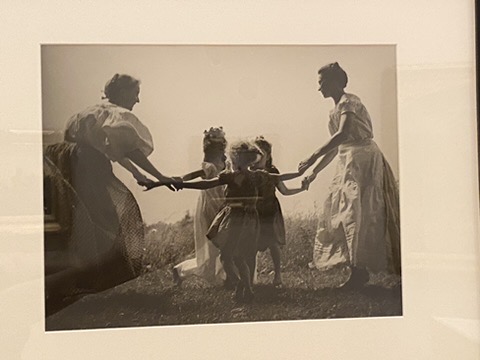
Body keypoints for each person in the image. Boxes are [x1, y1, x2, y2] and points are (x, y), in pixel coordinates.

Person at [44, 73, 177, 311]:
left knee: (79, 219)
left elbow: (114, 151)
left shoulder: (89, 112)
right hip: (86, 166)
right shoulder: (118, 114)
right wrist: (161, 176)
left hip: (66, 163)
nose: (137, 101)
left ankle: (76, 282)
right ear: (123, 92)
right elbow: (130, 150)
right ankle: (88, 280)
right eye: (135, 94)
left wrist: (137, 174)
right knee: (111, 218)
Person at [146, 140, 305, 302]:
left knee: (235, 255)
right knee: (235, 256)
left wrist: (299, 175)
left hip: (242, 219)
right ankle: (243, 286)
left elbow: (278, 177)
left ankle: (244, 287)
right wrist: (183, 185)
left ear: (237, 160)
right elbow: (205, 184)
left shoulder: (249, 176)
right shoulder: (242, 176)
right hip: (240, 218)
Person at [299, 62, 401, 289]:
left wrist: (312, 156)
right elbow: (337, 146)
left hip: (364, 159)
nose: (320, 88)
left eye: (322, 82)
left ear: (335, 82)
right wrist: (314, 172)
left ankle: (360, 271)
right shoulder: (333, 112)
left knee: (361, 212)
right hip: (347, 162)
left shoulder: (350, 102)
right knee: (346, 213)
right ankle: (356, 269)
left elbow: (343, 134)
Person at [172, 127, 229, 287]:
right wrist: (181, 179)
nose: (219, 148)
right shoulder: (208, 165)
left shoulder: (225, 162)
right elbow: (195, 175)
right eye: (216, 146)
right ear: (209, 148)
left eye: (221, 145)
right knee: (210, 248)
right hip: (209, 205)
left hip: (223, 204)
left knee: (225, 241)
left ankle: (226, 277)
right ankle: (182, 269)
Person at [252, 136, 306, 288]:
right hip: (254, 212)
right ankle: (250, 277)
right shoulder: (249, 172)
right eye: (253, 154)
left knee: (273, 243)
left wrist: (301, 188)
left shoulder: (272, 171)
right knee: (251, 244)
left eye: (260, 154)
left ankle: (277, 275)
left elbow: (284, 190)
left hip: (269, 211)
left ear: (268, 156)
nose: (256, 158)